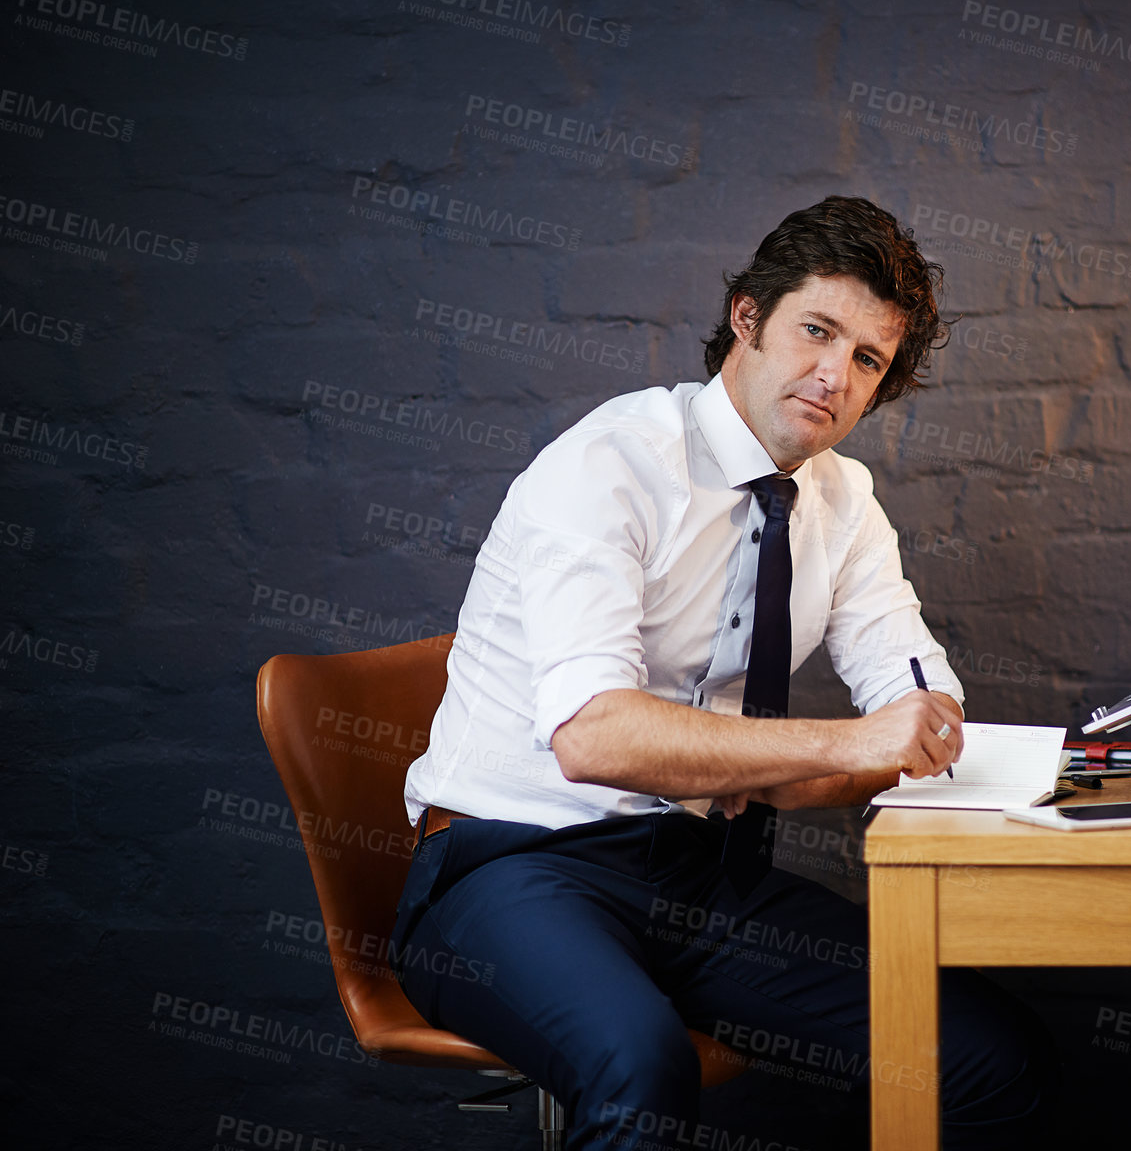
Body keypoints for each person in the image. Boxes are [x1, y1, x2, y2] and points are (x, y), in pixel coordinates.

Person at [390, 195, 1058, 1149]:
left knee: (991, 1055)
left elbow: (923, 710)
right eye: (815, 331)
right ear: (747, 318)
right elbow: (594, 736)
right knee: (638, 1061)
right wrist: (843, 748)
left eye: (866, 359)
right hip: (513, 869)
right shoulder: (608, 463)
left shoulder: (843, 501)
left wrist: (821, 760)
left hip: (698, 881)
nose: (833, 375)